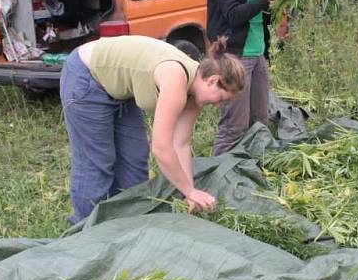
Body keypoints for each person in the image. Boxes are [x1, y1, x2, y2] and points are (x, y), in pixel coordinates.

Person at [60, 35, 245, 224]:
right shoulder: (176, 78)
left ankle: (125, 225)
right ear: (213, 80)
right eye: (221, 99)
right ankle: (85, 230)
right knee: (97, 163)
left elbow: (180, 144)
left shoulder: (194, 92)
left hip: (121, 89)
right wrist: (190, 191)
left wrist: (188, 192)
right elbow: (161, 148)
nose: (218, 106)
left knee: (135, 160)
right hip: (87, 76)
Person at [203, 0, 289, 155]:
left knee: (259, 121)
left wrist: (281, 1)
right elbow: (234, 15)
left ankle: (251, 171)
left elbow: (261, 11)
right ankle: (218, 177)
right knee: (234, 126)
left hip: (258, 52)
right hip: (234, 57)